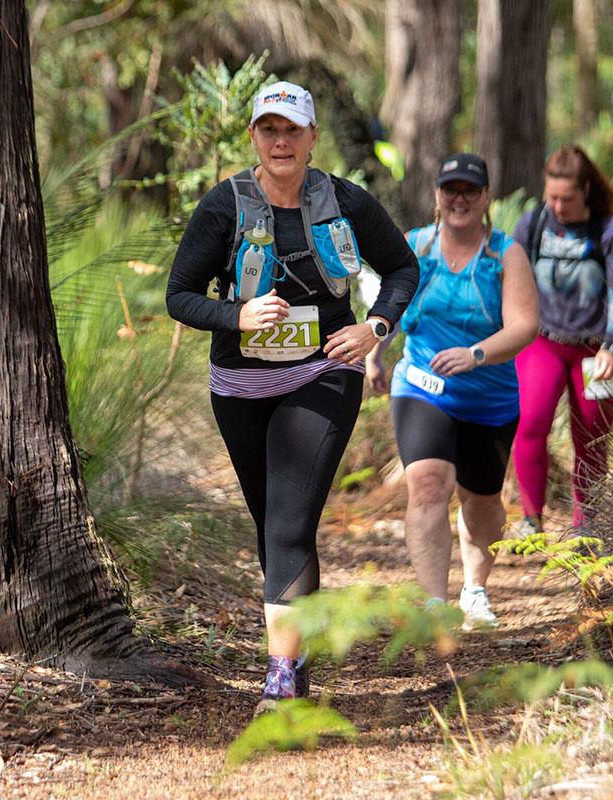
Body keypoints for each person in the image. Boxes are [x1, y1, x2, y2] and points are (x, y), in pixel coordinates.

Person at [166, 81, 419, 713]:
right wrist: (237, 316)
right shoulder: (224, 207)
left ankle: (280, 676)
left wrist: (375, 328)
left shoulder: (345, 200)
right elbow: (180, 295)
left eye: (293, 130)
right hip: (240, 383)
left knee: (288, 520)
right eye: (268, 130)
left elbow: (403, 268)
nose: (281, 141)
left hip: (323, 374)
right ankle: (297, 652)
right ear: (253, 136)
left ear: (311, 138)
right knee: (273, 522)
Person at [366, 153, 538, 630]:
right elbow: (388, 309)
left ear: (486, 199)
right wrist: (374, 356)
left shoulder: (506, 254)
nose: (459, 198)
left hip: (490, 397)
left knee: (481, 500)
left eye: (470, 190)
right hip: (423, 385)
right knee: (427, 483)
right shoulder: (415, 248)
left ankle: (475, 591)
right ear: (437, 196)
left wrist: (476, 354)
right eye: (450, 189)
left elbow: (525, 325)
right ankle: (434, 606)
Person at [510, 145, 613, 535]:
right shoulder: (533, 224)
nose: (558, 207)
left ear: (585, 189)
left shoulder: (610, 230)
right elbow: (511, 280)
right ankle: (531, 518)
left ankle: (589, 526)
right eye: (551, 197)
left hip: (597, 351)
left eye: (566, 198)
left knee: (592, 440)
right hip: (543, 342)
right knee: (531, 423)